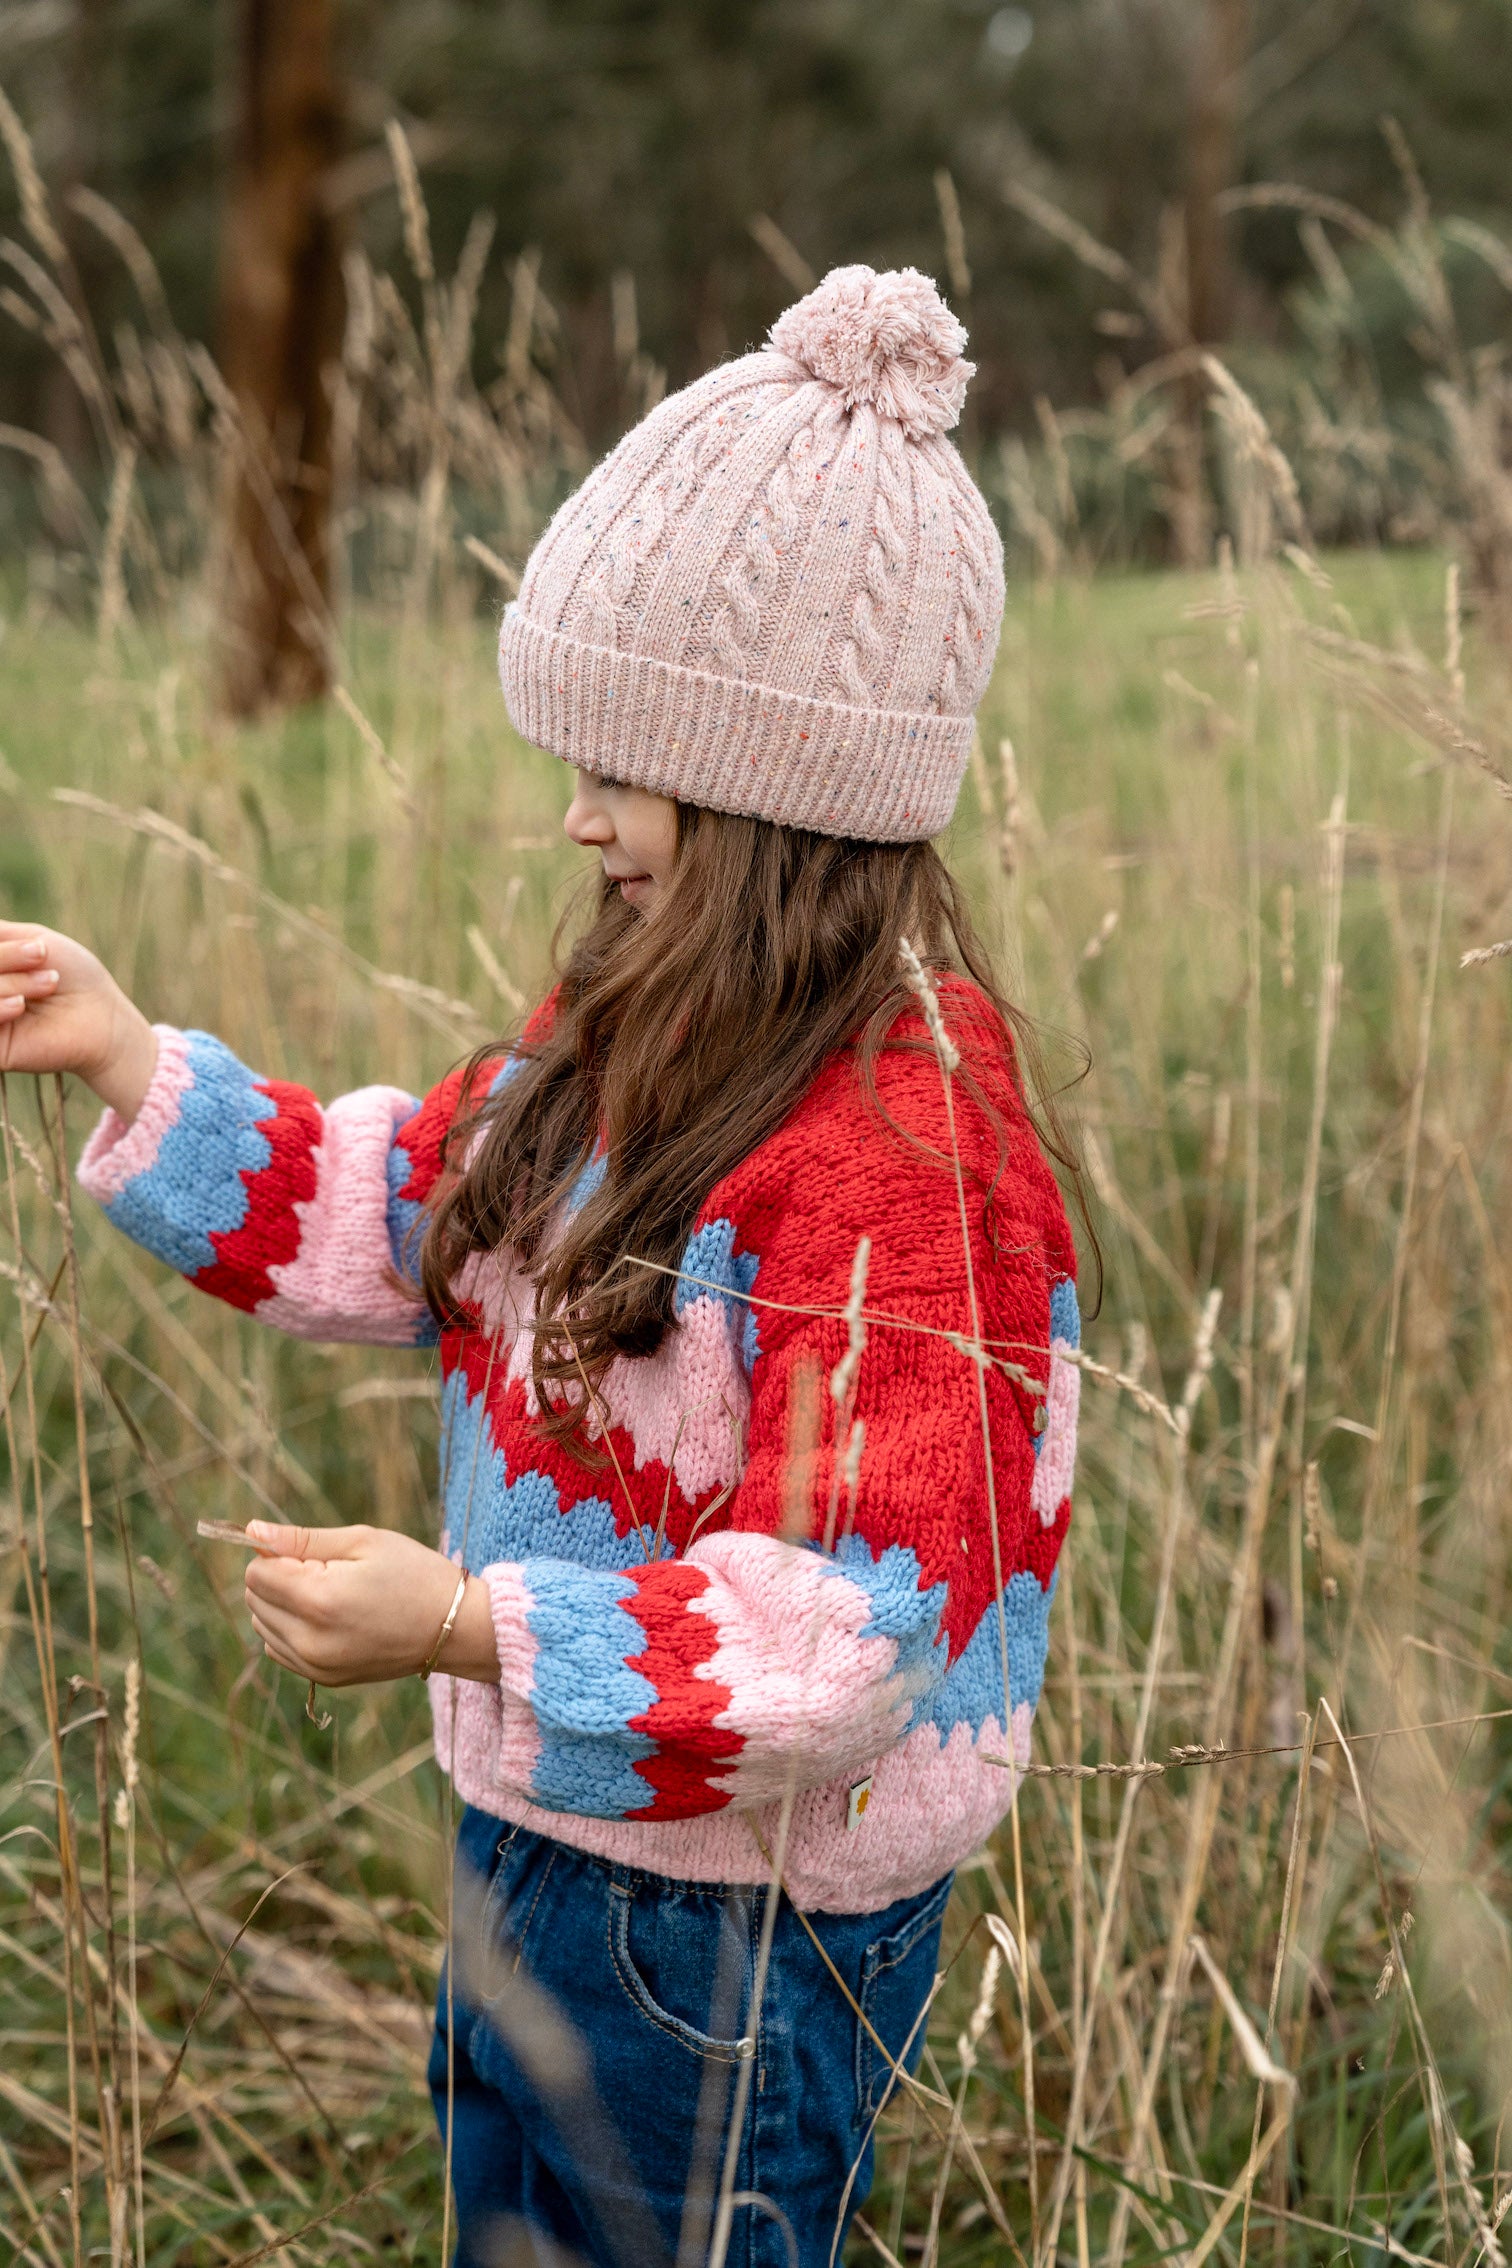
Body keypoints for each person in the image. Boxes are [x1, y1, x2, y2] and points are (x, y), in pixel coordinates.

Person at [0, 265, 1086, 2268]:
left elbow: (845, 1634)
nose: (576, 815)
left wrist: (474, 1627)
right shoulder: (641, 1034)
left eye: (621, 768)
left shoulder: (903, 1172)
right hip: (551, 1839)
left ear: (782, 799)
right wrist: (142, 1065)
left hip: (732, 1930)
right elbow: (422, 1208)